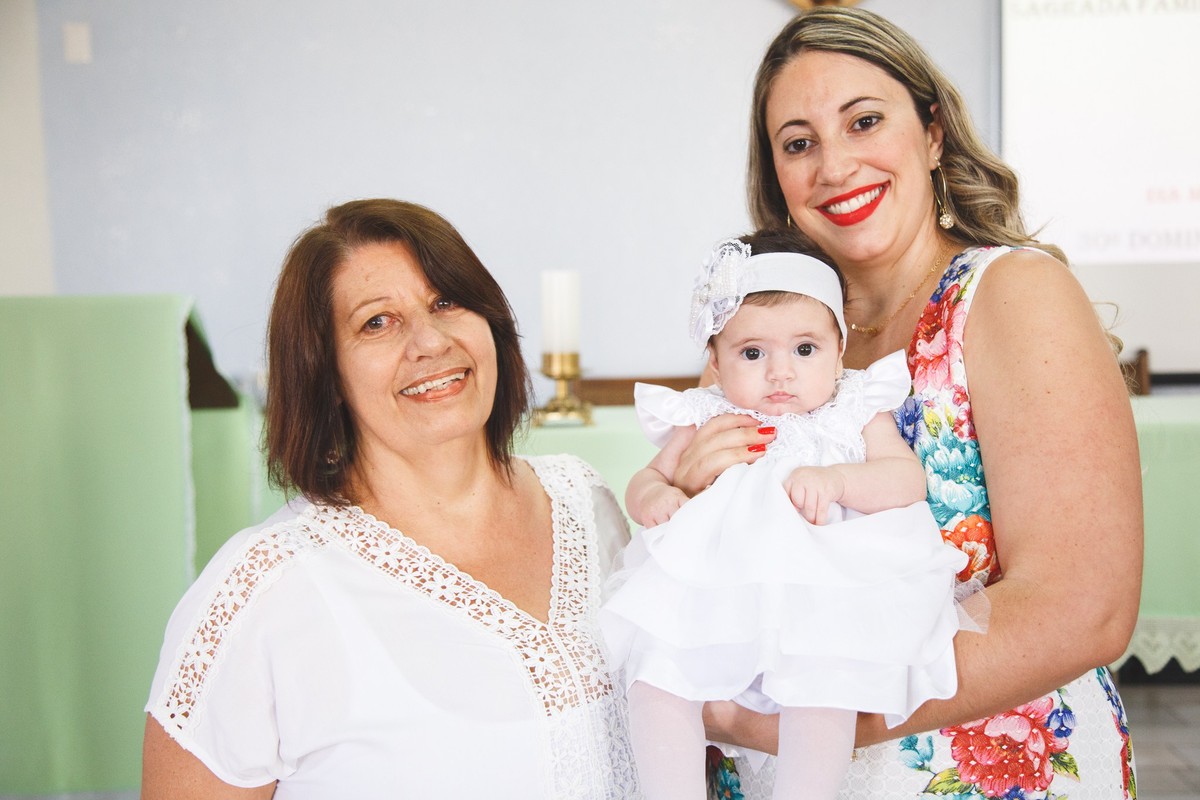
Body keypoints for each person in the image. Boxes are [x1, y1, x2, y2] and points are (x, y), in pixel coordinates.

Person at [689, 8, 1143, 800]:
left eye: (864, 121)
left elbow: (1086, 607)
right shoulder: (756, 341)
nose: (834, 166)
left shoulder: (1011, 295)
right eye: (799, 143)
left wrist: (814, 718)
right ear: (777, 178)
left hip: (978, 772)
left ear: (932, 134)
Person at [140, 199, 642, 798]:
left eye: (446, 301)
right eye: (377, 322)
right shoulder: (263, 591)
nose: (429, 341)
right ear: (323, 373)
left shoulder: (586, 502)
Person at [601, 231, 976, 800]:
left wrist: (839, 480)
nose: (781, 373)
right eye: (753, 353)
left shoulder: (852, 407)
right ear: (716, 360)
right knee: (659, 676)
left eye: (805, 349)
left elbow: (905, 479)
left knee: (826, 683)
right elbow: (647, 479)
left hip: (824, 590)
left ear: (839, 346)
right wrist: (657, 494)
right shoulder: (706, 412)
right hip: (717, 592)